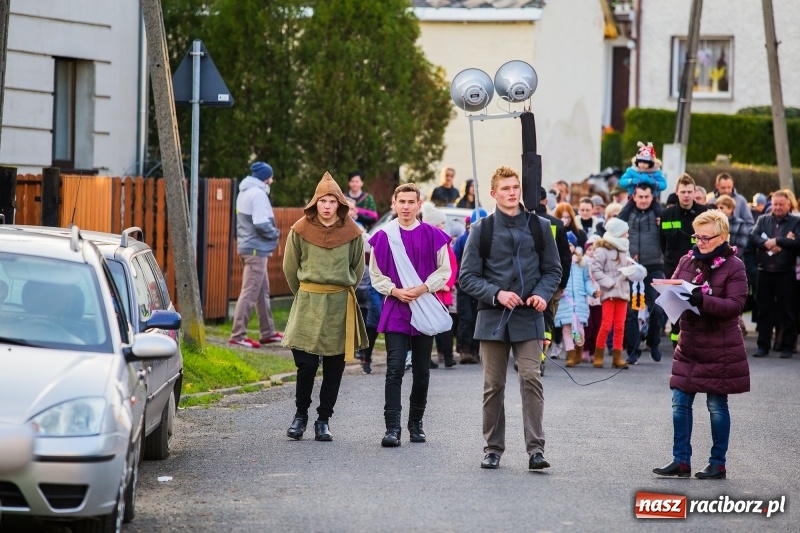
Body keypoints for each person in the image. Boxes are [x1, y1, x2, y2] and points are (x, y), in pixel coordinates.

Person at [459, 165, 562, 471]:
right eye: (505, 188)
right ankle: (493, 448)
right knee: (493, 386)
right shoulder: (482, 229)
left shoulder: (540, 226)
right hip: (492, 317)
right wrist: (496, 293)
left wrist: (543, 294)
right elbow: (466, 277)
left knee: (531, 378)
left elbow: (553, 270)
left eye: (515, 186)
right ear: (493, 193)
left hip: (529, 317)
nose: (512, 192)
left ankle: (536, 450)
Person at [653, 210, 749, 480]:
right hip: (690, 344)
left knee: (716, 405)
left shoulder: (735, 266)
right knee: (679, 402)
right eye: (696, 236)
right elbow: (675, 284)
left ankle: (717, 463)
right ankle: (680, 460)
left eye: (706, 237)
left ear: (722, 237)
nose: (700, 241)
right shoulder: (687, 259)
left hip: (721, 347)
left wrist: (702, 301)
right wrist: (666, 292)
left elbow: (736, 305)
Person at [283, 172, 368, 441]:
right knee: (306, 364)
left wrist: (338, 292)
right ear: (315, 203)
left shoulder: (352, 232)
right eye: (323, 200)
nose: (328, 205)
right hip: (308, 301)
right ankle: (300, 416)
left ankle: (323, 420)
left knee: (334, 366)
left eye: (333, 200)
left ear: (340, 203)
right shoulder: (299, 230)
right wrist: (305, 293)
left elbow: (357, 267)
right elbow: (290, 267)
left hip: (339, 304)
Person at [369, 183, 452, 447]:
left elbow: (444, 271)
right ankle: (392, 428)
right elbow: (375, 275)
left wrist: (423, 288)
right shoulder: (384, 236)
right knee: (394, 369)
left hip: (424, 306)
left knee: (422, 371)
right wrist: (393, 290)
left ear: (419, 204)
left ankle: (416, 423)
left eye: (410, 202)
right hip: (396, 308)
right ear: (394, 204)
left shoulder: (432, 235)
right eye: (401, 202)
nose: (405, 207)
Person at [229, 161, 283, 348]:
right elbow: (261, 223)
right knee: (249, 293)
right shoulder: (258, 194)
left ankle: (267, 332)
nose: (272, 180)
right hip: (255, 251)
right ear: (265, 178)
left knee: (261, 292)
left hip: (248, 248)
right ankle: (238, 335)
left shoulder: (244, 192)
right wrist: (276, 234)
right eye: (271, 176)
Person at [748, 189, 800, 358]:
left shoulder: (795, 222)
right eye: (775, 204)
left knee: (788, 312)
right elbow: (753, 237)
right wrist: (769, 244)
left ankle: (787, 346)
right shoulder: (763, 220)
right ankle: (763, 345)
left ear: (788, 205)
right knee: (763, 311)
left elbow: (797, 242)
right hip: (765, 272)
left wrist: (778, 241)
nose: (777, 207)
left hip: (786, 272)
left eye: (781, 204)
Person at [618, 183, 666, 364]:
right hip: (632, 267)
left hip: (654, 266)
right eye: (640, 197)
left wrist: (658, 210)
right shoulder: (627, 214)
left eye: (647, 197)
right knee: (632, 310)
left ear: (652, 197)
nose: (644, 200)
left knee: (656, 309)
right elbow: (613, 225)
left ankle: (653, 343)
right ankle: (633, 350)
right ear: (634, 197)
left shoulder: (658, 214)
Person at [659, 173, 708, 346]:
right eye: (683, 192)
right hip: (674, 269)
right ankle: (677, 345)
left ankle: (697, 344)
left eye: (689, 191)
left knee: (697, 309)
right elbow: (662, 243)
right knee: (676, 311)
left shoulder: (705, 213)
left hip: (699, 269)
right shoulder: (667, 214)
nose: (686, 195)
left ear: (695, 192)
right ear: (676, 192)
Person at [589, 218, 634, 369]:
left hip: (622, 292)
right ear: (617, 233)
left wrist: (633, 271)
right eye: (625, 232)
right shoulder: (601, 250)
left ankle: (617, 356)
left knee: (620, 325)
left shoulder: (624, 249)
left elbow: (628, 268)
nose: (627, 235)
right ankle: (598, 355)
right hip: (609, 291)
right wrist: (610, 282)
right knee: (607, 324)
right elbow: (596, 270)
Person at [421, 203, 458, 369]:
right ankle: (428, 357)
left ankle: (447, 356)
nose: (444, 225)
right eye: (442, 223)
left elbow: (452, 265)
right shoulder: (426, 241)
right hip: (430, 291)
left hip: (442, 292)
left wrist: (447, 284)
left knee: (443, 326)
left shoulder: (444, 242)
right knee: (429, 327)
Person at [453, 209, 487, 364]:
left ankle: (475, 349)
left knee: (477, 318)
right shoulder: (462, 240)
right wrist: (455, 279)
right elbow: (455, 260)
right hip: (464, 285)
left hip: (481, 286)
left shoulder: (488, 239)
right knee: (465, 318)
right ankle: (464, 349)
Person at [557, 233, 596, 367]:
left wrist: (593, 292)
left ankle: (579, 349)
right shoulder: (558, 262)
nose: (568, 248)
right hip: (565, 300)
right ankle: (571, 355)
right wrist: (558, 290)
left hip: (579, 301)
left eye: (570, 245)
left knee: (579, 329)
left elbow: (587, 280)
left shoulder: (582, 263)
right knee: (566, 330)